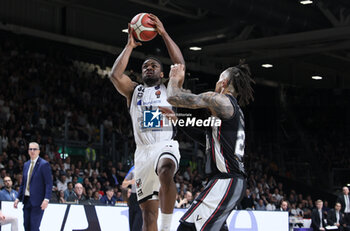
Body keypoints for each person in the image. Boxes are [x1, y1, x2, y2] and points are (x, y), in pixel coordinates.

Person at [109, 14, 185, 231]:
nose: (148, 68)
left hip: (164, 144)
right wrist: (130, 46)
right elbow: (115, 75)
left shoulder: (170, 89)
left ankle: (168, 226)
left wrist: (163, 33)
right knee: (148, 215)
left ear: (162, 73)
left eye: (153, 66)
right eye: (145, 66)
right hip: (142, 152)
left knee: (166, 169)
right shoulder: (134, 91)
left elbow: (179, 64)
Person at [166, 62, 254, 231]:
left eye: (218, 80)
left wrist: (175, 79)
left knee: (187, 229)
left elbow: (173, 97)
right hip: (227, 182)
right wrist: (179, 120)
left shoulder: (221, 100)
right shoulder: (234, 112)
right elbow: (205, 139)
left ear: (223, 83)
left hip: (226, 181)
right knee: (192, 226)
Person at [14, 142, 53, 231]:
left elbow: (48, 183)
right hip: (27, 200)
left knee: (34, 227)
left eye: (34, 149)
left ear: (38, 151)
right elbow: (23, 184)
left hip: (38, 202)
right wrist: (18, 198)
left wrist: (46, 199)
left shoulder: (44, 164)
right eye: (30, 149)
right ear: (28, 151)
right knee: (26, 226)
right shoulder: (26, 165)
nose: (32, 151)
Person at [122, 166, 142, 231]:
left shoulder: (149, 167)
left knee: (136, 227)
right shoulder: (133, 168)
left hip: (142, 197)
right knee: (132, 226)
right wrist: (130, 182)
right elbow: (123, 184)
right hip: (133, 197)